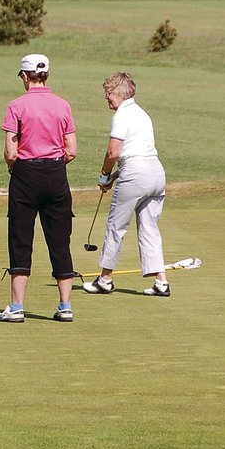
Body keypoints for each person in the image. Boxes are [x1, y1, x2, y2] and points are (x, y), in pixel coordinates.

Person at [0, 53, 77, 323]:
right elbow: (72, 150)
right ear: (47, 75)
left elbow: (10, 151)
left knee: (20, 239)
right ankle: (65, 306)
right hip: (56, 174)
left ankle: (17, 307)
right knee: (59, 241)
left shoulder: (16, 105)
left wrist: (16, 167)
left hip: (25, 175)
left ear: (25, 76)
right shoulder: (63, 105)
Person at [83, 72, 170, 297]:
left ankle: (105, 279)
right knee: (150, 227)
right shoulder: (142, 113)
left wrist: (105, 175)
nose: (107, 98)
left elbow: (114, 152)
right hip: (156, 174)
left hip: (136, 173)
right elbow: (139, 154)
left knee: (116, 226)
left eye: (108, 93)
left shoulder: (122, 115)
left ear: (119, 92)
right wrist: (115, 177)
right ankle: (161, 282)